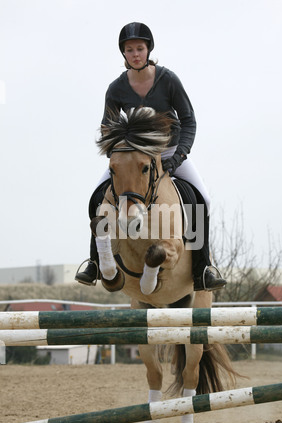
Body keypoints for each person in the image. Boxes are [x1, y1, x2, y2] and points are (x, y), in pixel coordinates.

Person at [75, 22, 226, 291]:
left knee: (202, 199)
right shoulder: (116, 88)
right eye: (129, 49)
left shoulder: (168, 80)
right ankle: (95, 262)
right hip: (134, 157)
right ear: (123, 54)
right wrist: (120, 155)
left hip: (168, 152)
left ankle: (203, 269)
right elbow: (107, 127)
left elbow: (189, 120)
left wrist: (178, 156)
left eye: (140, 49)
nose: (135, 54)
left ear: (148, 50)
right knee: (97, 197)